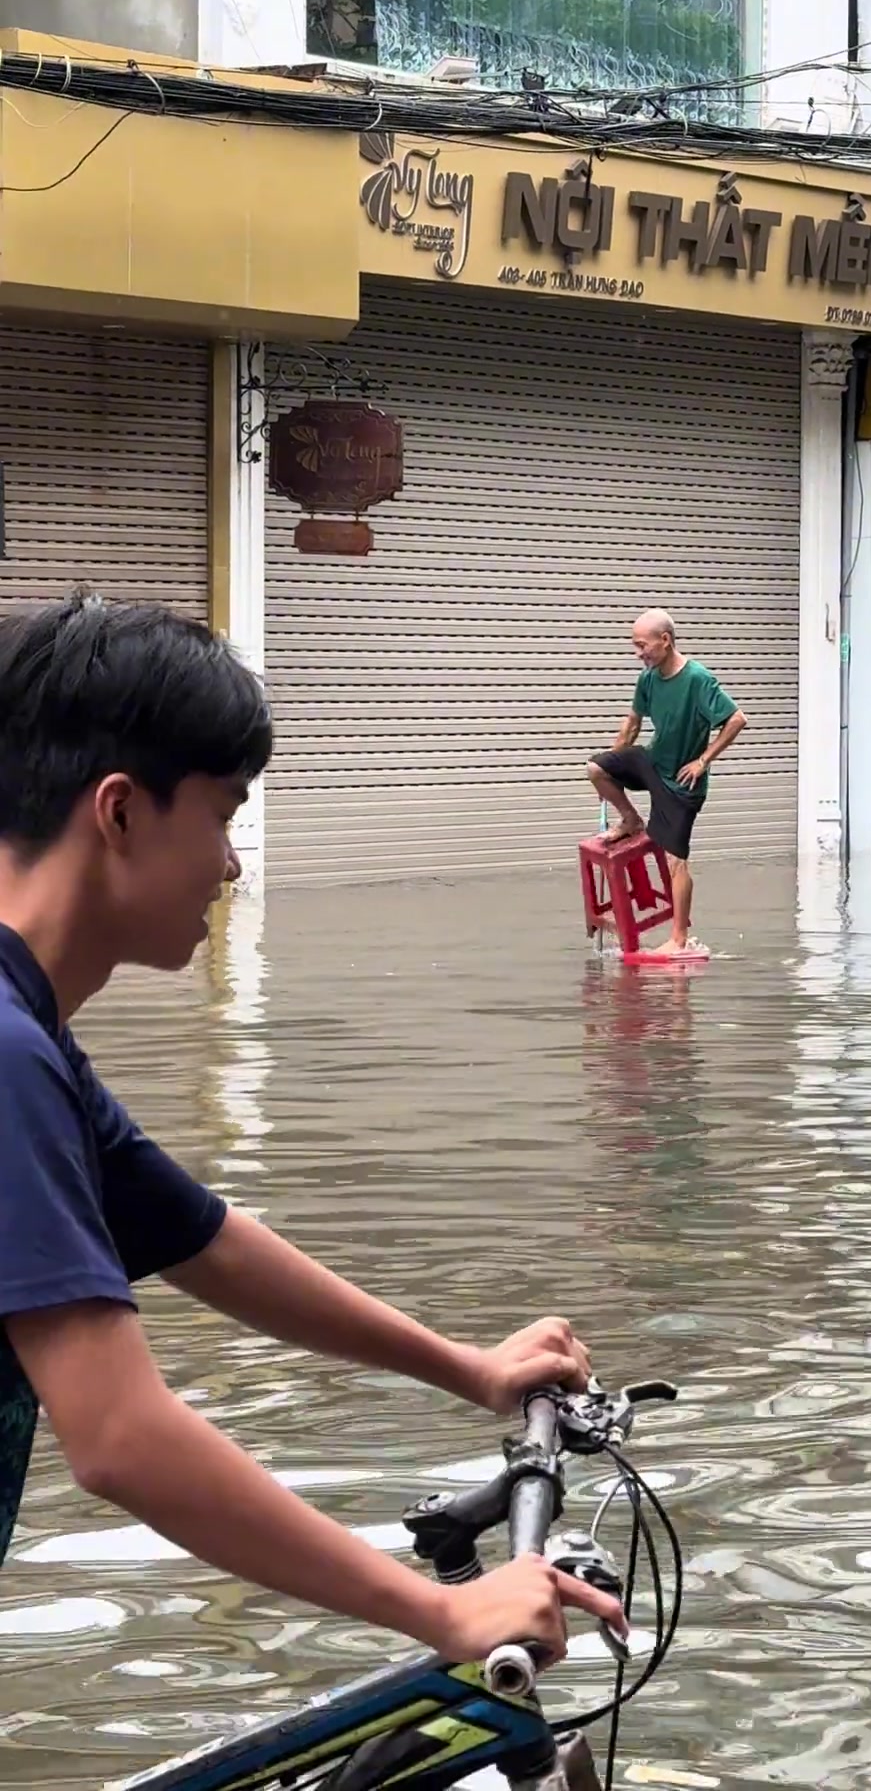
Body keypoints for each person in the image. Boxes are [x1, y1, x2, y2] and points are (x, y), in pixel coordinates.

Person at [0, 591, 625, 1667]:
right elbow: (116, 1438)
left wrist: (467, 1367)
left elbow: (203, 1239)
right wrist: (440, 1611)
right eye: (224, 816)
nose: (232, 867)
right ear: (120, 812)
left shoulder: (32, 1045)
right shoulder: (6, 1055)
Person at [587, 609, 746, 957]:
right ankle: (631, 819)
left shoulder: (698, 679)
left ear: (665, 641)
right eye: (634, 646)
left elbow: (736, 719)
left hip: (682, 782)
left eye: (642, 645)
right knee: (596, 769)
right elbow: (631, 726)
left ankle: (678, 939)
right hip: (652, 762)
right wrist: (614, 763)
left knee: (675, 860)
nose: (638, 653)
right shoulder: (647, 678)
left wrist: (703, 760)